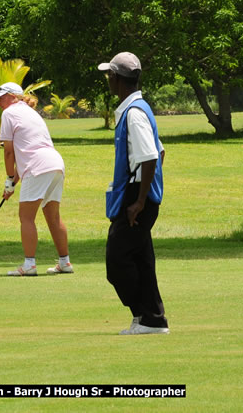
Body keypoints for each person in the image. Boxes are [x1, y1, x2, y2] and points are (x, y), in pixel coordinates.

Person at [98, 52, 169, 335]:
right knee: (141, 259)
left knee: (116, 261)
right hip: (139, 194)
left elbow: (151, 156)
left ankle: (144, 314)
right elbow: (160, 152)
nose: (108, 80)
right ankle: (152, 319)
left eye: (109, 75)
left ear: (116, 78)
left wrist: (139, 199)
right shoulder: (138, 109)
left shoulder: (134, 113)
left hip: (136, 199)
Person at [0, 82, 73, 277]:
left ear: (13, 96)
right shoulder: (30, 113)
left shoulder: (9, 114)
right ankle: (64, 262)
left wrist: (10, 178)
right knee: (53, 216)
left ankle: (29, 265)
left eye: (2, 97)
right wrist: (12, 183)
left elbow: (9, 152)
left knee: (26, 217)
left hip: (38, 166)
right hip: (55, 164)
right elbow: (23, 156)